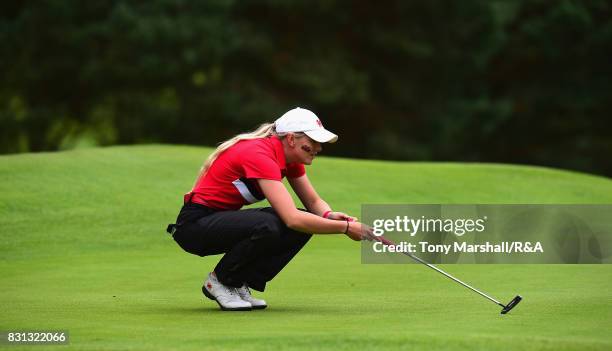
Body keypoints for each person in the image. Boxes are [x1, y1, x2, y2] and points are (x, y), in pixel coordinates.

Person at [167, 107, 373, 311]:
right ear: (291, 139)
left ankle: (238, 282)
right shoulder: (259, 153)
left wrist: (330, 216)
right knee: (272, 224)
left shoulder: (289, 158)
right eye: (312, 142)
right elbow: (292, 218)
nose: (318, 148)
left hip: (218, 220)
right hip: (194, 226)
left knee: (303, 221)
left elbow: (312, 202)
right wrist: (345, 228)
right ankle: (220, 281)